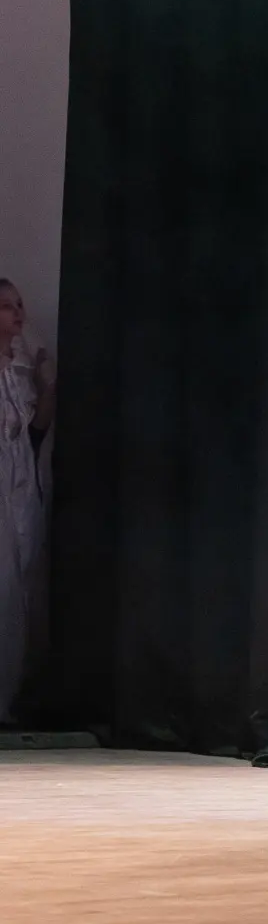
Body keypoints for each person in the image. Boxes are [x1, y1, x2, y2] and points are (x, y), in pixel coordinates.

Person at [0, 278, 54, 724]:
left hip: (21, 485)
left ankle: (10, 697)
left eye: (19, 305)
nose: (17, 314)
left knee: (20, 588)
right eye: (6, 306)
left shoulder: (17, 373)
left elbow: (34, 432)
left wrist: (46, 384)